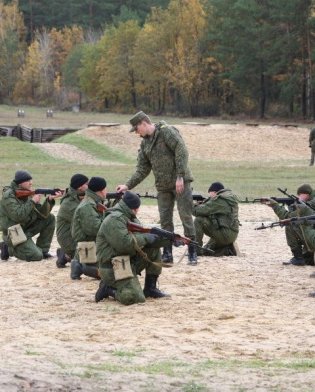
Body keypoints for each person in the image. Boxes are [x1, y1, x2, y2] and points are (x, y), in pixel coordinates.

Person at [117, 111, 195, 265]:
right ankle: (167, 252)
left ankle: (192, 251)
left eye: (136, 129)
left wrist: (180, 176)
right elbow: (142, 169)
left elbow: (181, 150)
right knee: (165, 220)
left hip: (180, 182)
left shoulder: (166, 132)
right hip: (162, 186)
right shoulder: (145, 143)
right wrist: (127, 185)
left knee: (185, 215)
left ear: (143, 123)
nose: (136, 133)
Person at [94, 191, 171, 305]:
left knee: (153, 250)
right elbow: (124, 245)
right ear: (135, 209)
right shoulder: (114, 219)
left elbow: (144, 239)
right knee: (134, 297)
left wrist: (169, 241)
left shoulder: (128, 217)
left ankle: (151, 288)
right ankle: (108, 290)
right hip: (113, 267)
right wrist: (146, 237)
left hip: (127, 261)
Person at [0, 169, 63, 261]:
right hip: (13, 232)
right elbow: (17, 216)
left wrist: (50, 199)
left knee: (50, 218)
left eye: (30, 180)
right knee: (36, 256)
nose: (31, 183)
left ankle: (43, 251)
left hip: (25, 228)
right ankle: (8, 249)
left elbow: (42, 215)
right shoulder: (9, 196)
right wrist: (32, 202)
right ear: (20, 184)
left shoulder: (28, 193)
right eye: (27, 181)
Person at [263, 184, 315, 266]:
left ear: (306, 194)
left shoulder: (307, 206)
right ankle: (306, 255)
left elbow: (286, 217)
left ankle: (298, 257)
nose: (298, 197)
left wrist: (274, 205)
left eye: (299, 195)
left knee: (290, 224)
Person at [70, 176, 108, 280]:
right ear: (100, 191)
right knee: (107, 272)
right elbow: (94, 229)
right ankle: (83, 267)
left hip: (88, 243)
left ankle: (79, 264)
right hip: (88, 243)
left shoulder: (92, 201)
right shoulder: (88, 205)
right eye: (105, 188)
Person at [192, 182, 240, 258]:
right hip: (231, 233)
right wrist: (204, 203)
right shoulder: (227, 197)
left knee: (199, 220)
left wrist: (190, 204)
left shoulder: (219, 200)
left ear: (215, 192)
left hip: (225, 234)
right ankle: (227, 250)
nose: (209, 196)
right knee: (207, 250)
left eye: (210, 193)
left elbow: (197, 212)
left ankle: (195, 251)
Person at [55, 173, 89, 269]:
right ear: (79, 187)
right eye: (86, 184)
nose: (89, 186)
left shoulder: (78, 197)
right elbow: (86, 221)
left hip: (73, 235)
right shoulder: (68, 203)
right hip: (68, 239)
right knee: (90, 258)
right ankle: (67, 255)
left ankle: (65, 254)